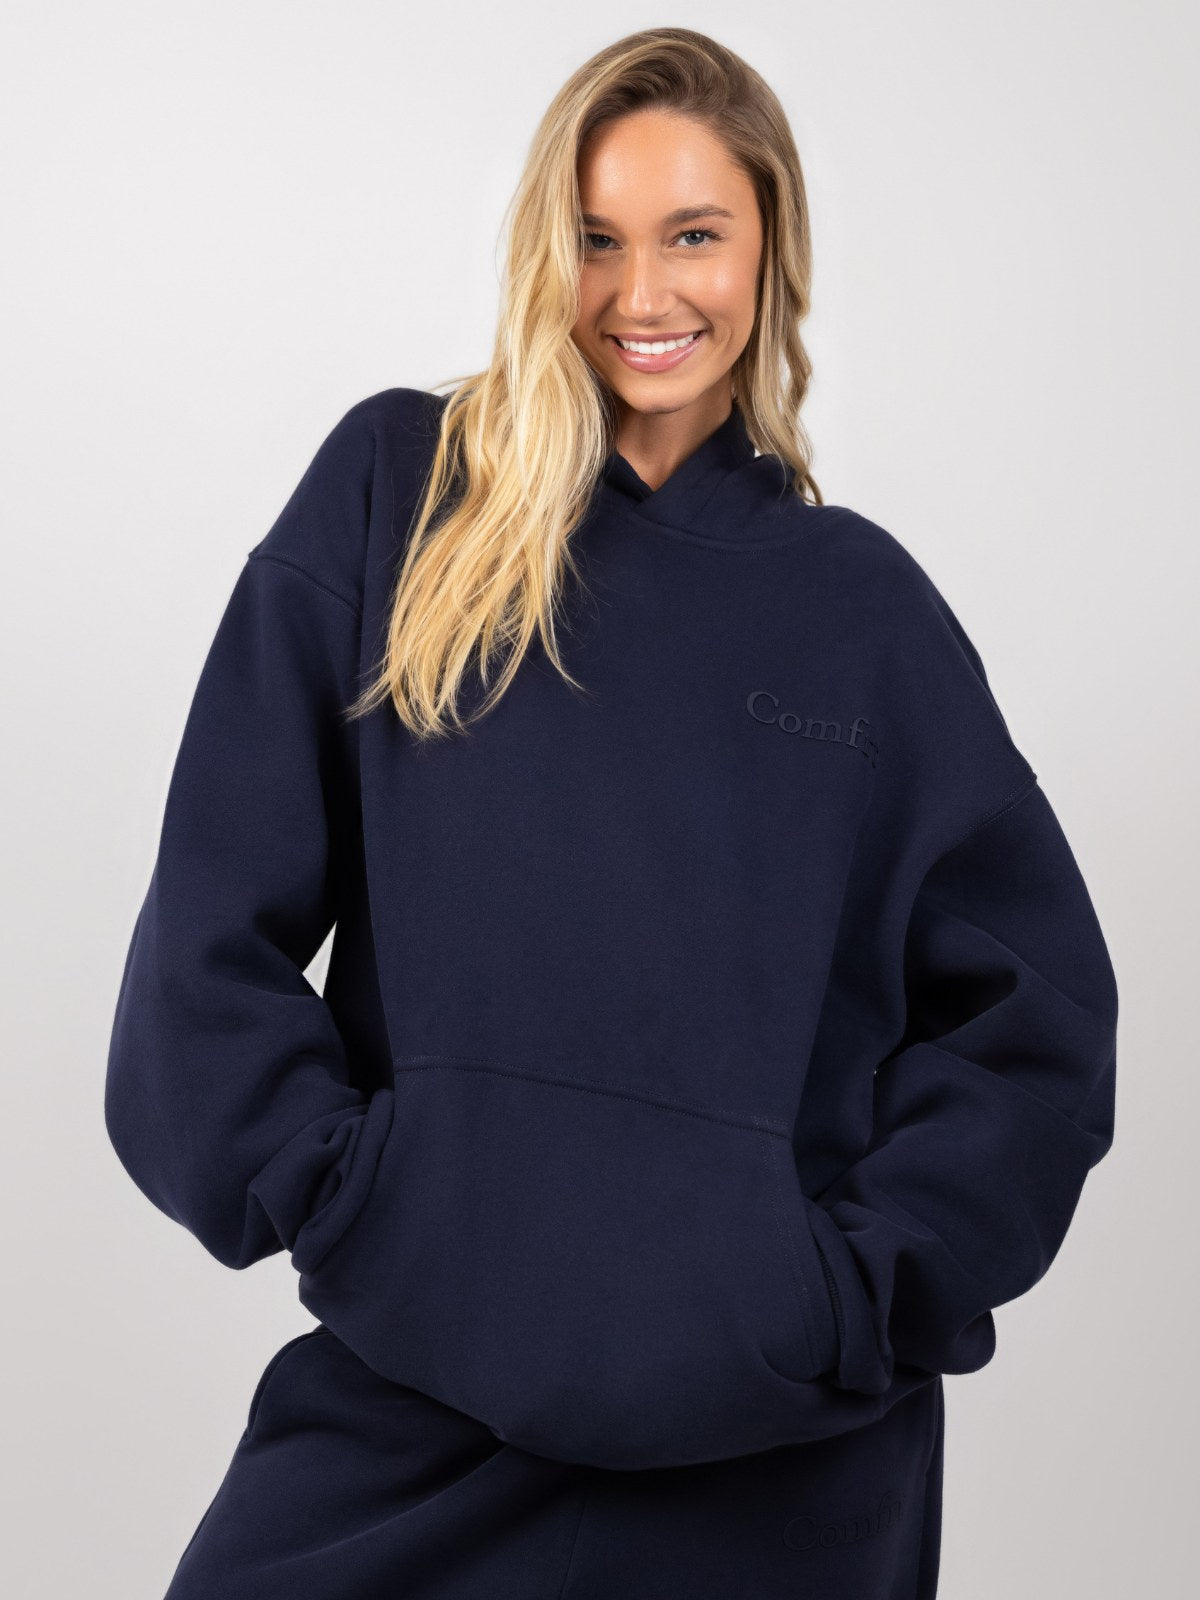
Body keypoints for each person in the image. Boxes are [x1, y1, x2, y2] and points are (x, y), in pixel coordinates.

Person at [104, 25, 1119, 1600]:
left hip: (776, 1483)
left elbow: (1034, 1027)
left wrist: (839, 1297)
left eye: (693, 236)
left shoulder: (862, 614)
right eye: (597, 239)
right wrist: (363, 1208)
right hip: (409, 1424)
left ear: (769, 250)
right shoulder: (401, 499)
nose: (643, 294)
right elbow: (204, 943)